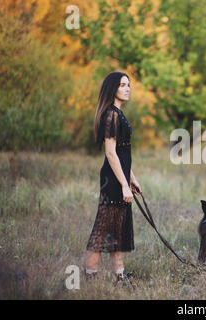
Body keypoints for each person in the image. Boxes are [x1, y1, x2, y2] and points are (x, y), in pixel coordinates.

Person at [85, 71, 142, 287]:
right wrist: (124, 185)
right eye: (122, 85)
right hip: (112, 180)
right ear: (113, 89)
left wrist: (132, 179)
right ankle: (90, 279)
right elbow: (110, 153)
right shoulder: (111, 115)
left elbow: (124, 152)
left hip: (121, 178)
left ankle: (120, 276)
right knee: (102, 229)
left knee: (118, 230)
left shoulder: (119, 113)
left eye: (129, 84)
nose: (127, 88)